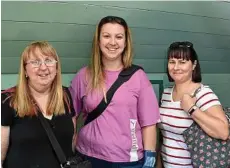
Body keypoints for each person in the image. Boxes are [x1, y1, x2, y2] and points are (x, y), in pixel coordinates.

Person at [69, 16, 160, 168]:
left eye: (118, 37)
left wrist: (150, 157)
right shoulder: (83, 75)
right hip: (87, 158)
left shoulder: (138, 77)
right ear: (98, 41)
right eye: (106, 36)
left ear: (125, 42)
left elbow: (149, 123)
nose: (112, 42)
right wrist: (70, 146)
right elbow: (71, 116)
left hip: (126, 161)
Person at [1, 41, 76, 168]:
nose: (43, 67)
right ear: (25, 70)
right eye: (35, 62)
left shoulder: (65, 95)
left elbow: (72, 140)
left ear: (56, 68)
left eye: (49, 60)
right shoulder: (8, 100)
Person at [157, 41, 229, 168]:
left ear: (194, 65)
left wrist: (192, 109)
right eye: (172, 62)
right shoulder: (166, 93)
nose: (176, 67)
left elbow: (223, 132)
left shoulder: (202, 93)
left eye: (182, 62)